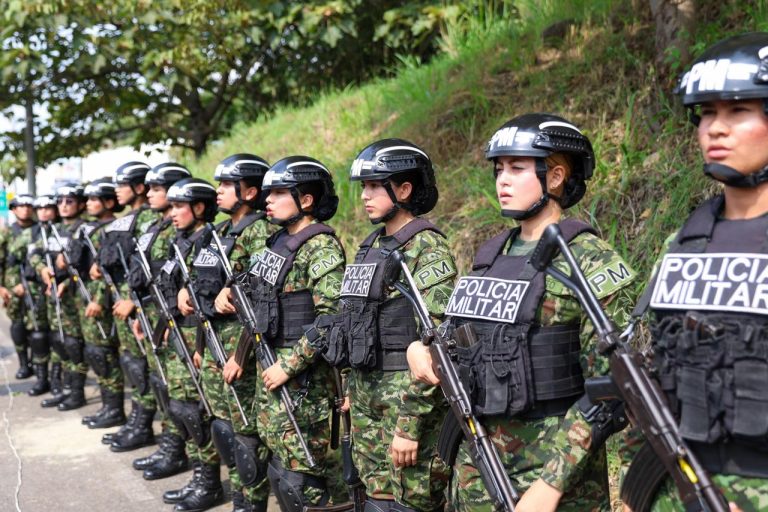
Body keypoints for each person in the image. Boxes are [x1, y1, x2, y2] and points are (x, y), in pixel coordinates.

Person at [408, 114, 637, 511]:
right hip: (477, 470)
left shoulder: (589, 262)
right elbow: (459, 339)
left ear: (555, 177)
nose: (503, 180)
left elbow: (611, 389)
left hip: (550, 483)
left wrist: (551, 484)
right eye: (499, 169)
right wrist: (421, 349)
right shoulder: (491, 256)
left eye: (517, 168)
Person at [619, 32, 768, 512]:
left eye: (738, 111)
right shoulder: (687, 239)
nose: (715, 129)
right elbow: (645, 373)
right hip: (677, 484)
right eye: (706, 113)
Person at [317, 139, 458, 512]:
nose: (364, 196)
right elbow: (356, 321)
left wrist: (410, 424)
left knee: (410, 503)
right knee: (373, 500)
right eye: (363, 187)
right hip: (367, 397)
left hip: (404, 402)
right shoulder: (371, 246)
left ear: (404, 189)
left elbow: (437, 346)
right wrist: (352, 389)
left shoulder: (425, 248)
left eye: (373, 186)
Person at [240, 155, 346, 511]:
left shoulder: (320, 247)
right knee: (280, 469)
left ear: (306, 200)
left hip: (302, 382)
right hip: (270, 369)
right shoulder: (276, 242)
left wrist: (289, 365)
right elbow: (253, 288)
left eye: (278, 192)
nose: (267, 200)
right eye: (266, 192)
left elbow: (330, 318)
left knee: (303, 478)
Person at [196, 153, 273, 512]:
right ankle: (240, 498)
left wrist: (241, 354)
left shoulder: (260, 232)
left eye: (226, 185)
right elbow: (203, 284)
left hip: (242, 348)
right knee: (225, 429)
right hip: (215, 343)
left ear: (250, 190)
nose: (219, 191)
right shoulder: (222, 232)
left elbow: (261, 294)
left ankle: (250, 504)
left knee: (246, 435)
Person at [126, 163, 192, 481]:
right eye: (148, 188)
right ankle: (169, 446)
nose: (149, 193)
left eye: (157, 188)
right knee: (161, 384)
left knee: (177, 390)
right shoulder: (155, 226)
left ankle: (176, 450)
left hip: (176, 322)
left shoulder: (182, 231)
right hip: (155, 316)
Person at [163, 177, 225, 512]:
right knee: (184, 409)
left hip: (199, 335)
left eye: (179, 206)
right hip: (181, 332)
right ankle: (201, 476)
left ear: (199, 208)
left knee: (198, 412)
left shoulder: (210, 240)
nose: (173, 213)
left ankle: (210, 483)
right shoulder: (183, 241)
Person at [94, 161, 159, 451]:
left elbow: (151, 267)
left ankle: (143, 425)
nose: (117, 191)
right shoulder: (124, 220)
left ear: (139, 187)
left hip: (140, 305)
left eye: (123, 185)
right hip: (123, 301)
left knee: (145, 369)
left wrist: (134, 302)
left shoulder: (148, 221)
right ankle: (137, 421)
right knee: (133, 365)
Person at [36, 183, 90, 411]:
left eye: (69, 201)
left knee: (75, 345)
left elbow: (91, 267)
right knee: (60, 343)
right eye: (61, 202)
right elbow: (35, 254)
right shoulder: (53, 231)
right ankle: (65, 390)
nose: (64, 206)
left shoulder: (85, 229)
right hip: (55, 299)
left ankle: (77, 393)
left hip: (77, 297)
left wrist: (68, 281)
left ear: (80, 204)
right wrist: (42, 268)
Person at [77, 178, 126, 428]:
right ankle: (108, 406)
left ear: (109, 202)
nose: (89, 203)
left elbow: (109, 272)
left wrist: (98, 299)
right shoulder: (93, 229)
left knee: (105, 355)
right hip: (88, 296)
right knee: (96, 354)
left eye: (95, 199)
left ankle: (115, 409)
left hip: (104, 301)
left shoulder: (113, 229)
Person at [3, 194, 37, 380]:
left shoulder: (40, 230)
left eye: (28, 206)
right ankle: (24, 363)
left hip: (36, 287)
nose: (25, 209)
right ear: (14, 210)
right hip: (12, 288)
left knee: (37, 328)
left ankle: (38, 364)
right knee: (17, 326)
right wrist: (2, 287)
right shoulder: (6, 233)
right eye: (20, 206)